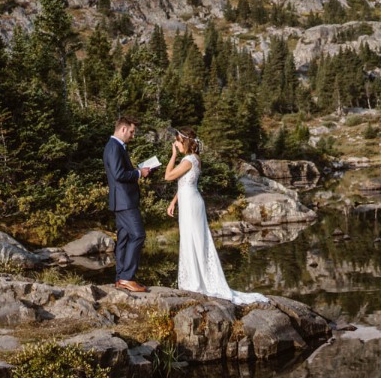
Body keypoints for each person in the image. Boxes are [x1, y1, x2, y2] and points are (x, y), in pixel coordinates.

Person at [165, 128, 268, 304]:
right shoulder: (195, 159)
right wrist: (174, 201)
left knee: (193, 239)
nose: (176, 144)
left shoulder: (187, 160)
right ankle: (197, 278)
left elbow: (168, 176)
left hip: (190, 203)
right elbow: (185, 182)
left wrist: (173, 155)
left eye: (178, 141)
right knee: (194, 238)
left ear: (184, 142)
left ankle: (196, 281)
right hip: (190, 199)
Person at [105, 115, 151, 293]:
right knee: (138, 235)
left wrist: (140, 171)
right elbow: (118, 175)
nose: (133, 135)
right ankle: (127, 277)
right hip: (125, 201)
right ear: (123, 129)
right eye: (131, 132)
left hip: (122, 200)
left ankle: (120, 278)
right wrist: (139, 173)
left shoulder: (115, 147)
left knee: (124, 239)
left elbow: (120, 172)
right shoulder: (114, 147)